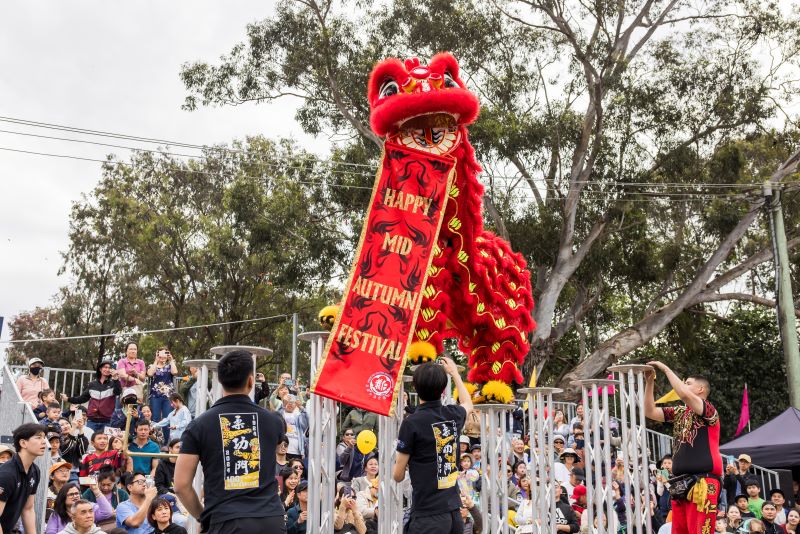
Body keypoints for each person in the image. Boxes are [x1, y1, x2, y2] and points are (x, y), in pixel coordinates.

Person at [174, 349, 286, 533]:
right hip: (270, 520)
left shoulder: (199, 425)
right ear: (251, 381)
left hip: (225, 520)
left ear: (219, 380)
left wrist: (202, 516)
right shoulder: (273, 421)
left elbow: (180, 485)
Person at [393, 357, 473, 534]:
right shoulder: (452, 414)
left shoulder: (411, 423)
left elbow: (397, 475)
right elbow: (468, 403)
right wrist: (454, 374)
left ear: (415, 387)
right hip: (454, 514)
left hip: (427, 516)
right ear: (443, 388)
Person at [645, 362, 722, 534]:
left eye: (687, 383)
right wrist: (650, 381)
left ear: (701, 389)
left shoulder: (708, 410)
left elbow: (685, 395)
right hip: (680, 483)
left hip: (703, 481)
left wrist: (665, 369)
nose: (682, 386)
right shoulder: (680, 412)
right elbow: (649, 411)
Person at [0, 423, 46, 534]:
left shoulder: (35, 471)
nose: (44, 441)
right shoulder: (6, 474)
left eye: (44, 437)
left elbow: (28, 509)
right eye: (38, 437)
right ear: (23, 443)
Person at [63, 357, 122, 434]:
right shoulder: (92, 384)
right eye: (105, 367)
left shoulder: (113, 383)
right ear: (100, 369)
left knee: (105, 443)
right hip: (92, 421)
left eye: (110, 368)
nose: (107, 369)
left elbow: (118, 392)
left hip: (107, 421)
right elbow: (82, 399)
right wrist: (67, 399)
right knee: (90, 441)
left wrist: (116, 379)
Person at [46, 482, 113, 534]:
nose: (75, 496)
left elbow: (107, 512)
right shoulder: (57, 515)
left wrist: (96, 491)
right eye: (71, 494)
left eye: (77, 493)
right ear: (63, 497)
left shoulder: (88, 507)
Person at [147, 348, 178, 440]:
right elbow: (150, 373)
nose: (163, 356)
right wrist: (156, 360)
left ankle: (167, 442)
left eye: (165, 354)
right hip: (155, 395)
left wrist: (171, 360)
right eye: (161, 354)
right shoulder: (152, 365)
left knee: (167, 418)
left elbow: (175, 372)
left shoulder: (170, 366)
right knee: (155, 418)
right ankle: (155, 439)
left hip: (168, 396)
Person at [281, 394, 309, 460]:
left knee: (295, 469)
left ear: (295, 404)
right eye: (288, 402)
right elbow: (276, 417)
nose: (290, 404)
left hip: (297, 451)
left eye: (292, 402)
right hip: (282, 449)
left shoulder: (299, 415)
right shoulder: (281, 413)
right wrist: (283, 405)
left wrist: (301, 407)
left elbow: (307, 423)